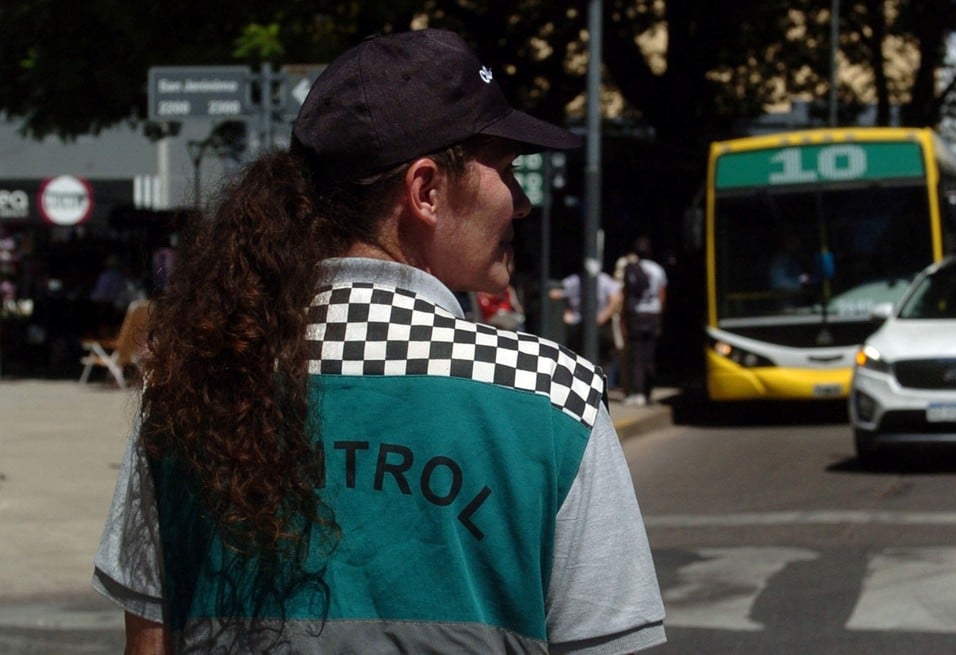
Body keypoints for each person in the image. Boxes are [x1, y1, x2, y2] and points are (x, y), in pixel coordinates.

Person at [92, 29, 666, 654]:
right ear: (426, 191)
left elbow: (149, 643)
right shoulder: (556, 397)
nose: (522, 203)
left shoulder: (194, 382)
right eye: (505, 170)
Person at [618, 236, 668, 406]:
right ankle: (647, 391)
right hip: (652, 315)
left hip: (636, 316)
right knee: (649, 355)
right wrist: (659, 318)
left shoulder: (631, 269)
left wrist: (623, 319)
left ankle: (637, 392)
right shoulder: (658, 270)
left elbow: (625, 296)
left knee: (636, 355)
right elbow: (662, 296)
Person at [550, 269, 622, 372]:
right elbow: (555, 293)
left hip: (595, 326)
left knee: (600, 358)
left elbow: (555, 293)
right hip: (581, 325)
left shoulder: (602, 280)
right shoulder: (576, 280)